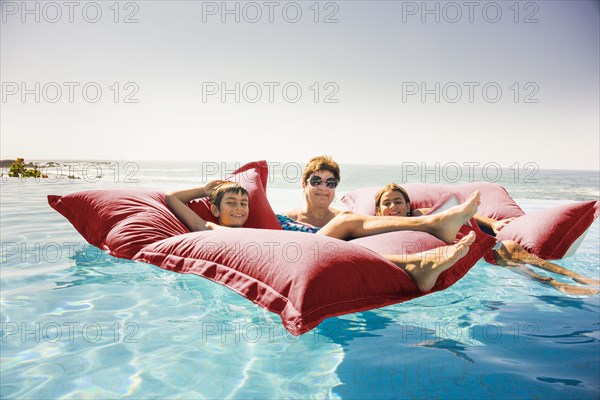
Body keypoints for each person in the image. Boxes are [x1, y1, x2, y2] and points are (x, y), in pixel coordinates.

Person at [165, 179, 477, 292]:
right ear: (215, 210)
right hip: (285, 252)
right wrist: (204, 191)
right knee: (347, 222)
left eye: (244, 202)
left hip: (291, 247)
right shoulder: (207, 228)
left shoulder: (254, 225)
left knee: (345, 234)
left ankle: (412, 264)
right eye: (230, 203)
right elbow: (171, 199)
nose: (239, 208)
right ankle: (434, 226)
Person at [374, 183, 600, 296]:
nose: (393, 206)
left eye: (398, 201)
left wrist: (491, 224)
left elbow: (464, 212)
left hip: (477, 242)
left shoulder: (421, 214)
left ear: (407, 205)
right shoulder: (377, 228)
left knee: (514, 250)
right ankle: (554, 284)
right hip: (467, 254)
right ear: (378, 209)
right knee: (511, 259)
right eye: (387, 203)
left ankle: (577, 277)